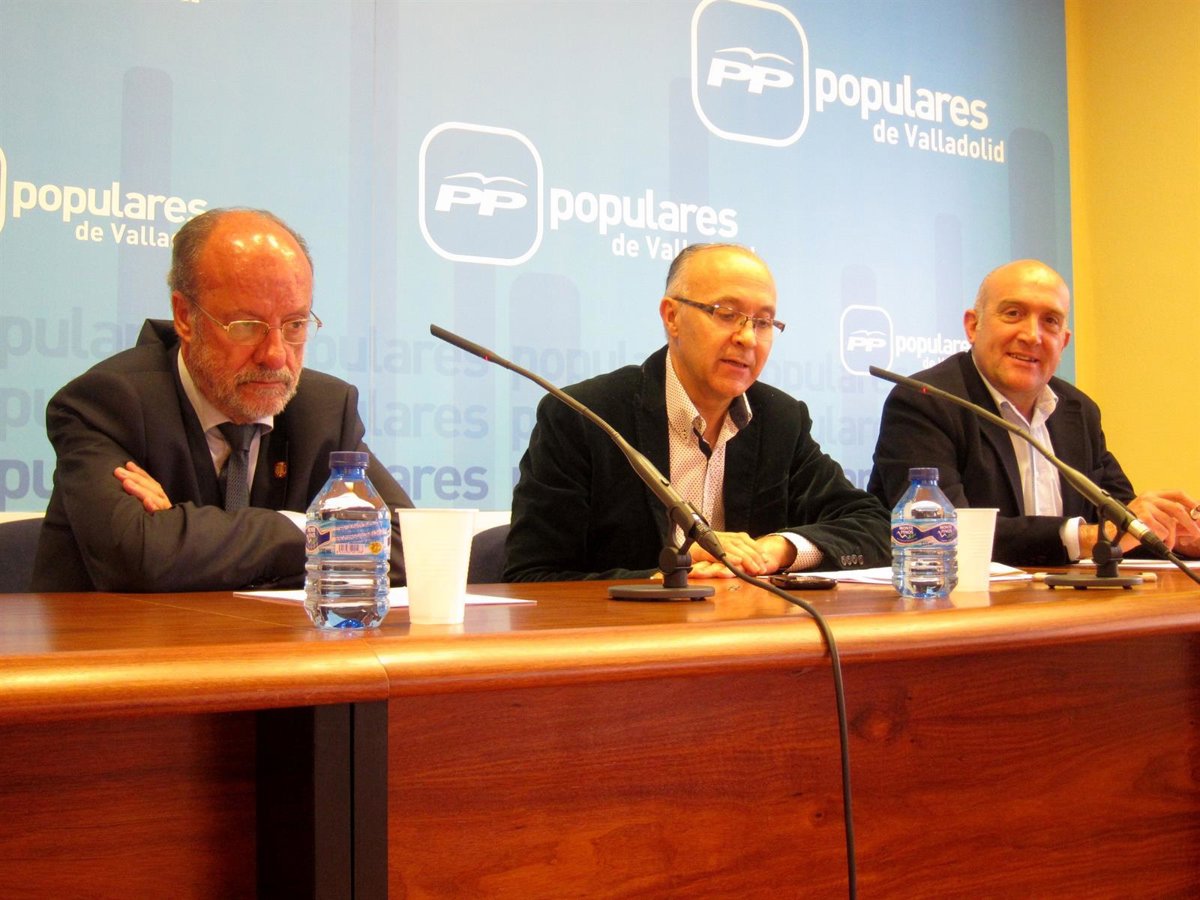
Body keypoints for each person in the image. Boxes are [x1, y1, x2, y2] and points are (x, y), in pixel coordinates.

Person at [32, 207, 413, 592]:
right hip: (115, 633)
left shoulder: (324, 410)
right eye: (247, 326)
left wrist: (179, 531)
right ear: (185, 317)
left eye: (295, 325)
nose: (276, 356)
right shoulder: (107, 405)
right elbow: (138, 555)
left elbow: (407, 545)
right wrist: (307, 529)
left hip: (265, 633)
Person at [504, 243, 890, 582]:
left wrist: (778, 549)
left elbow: (874, 526)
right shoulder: (585, 417)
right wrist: (669, 578)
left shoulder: (780, 420)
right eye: (726, 313)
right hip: (629, 636)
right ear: (672, 317)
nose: (747, 337)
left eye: (764, 322)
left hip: (748, 633)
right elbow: (532, 575)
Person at [868, 258, 1200, 567]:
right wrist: (1085, 537)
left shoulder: (1078, 411)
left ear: (1063, 341)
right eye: (1013, 313)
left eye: (1050, 321)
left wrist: (1178, 535)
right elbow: (941, 531)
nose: (1031, 335)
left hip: (1065, 603)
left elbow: (1120, 524)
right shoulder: (924, 402)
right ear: (973, 326)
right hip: (959, 603)